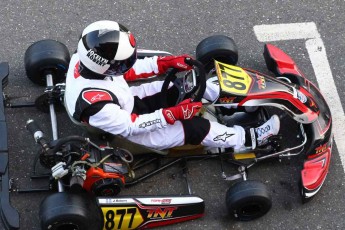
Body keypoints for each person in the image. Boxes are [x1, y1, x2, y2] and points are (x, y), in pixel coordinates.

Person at [64, 20, 280, 152]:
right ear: (106, 66)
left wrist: (163, 64)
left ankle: (243, 102)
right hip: (134, 131)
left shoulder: (85, 57)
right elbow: (132, 126)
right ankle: (248, 140)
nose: (127, 64)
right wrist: (174, 114)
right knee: (196, 128)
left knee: (191, 84)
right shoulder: (94, 104)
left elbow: (128, 69)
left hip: (126, 101)